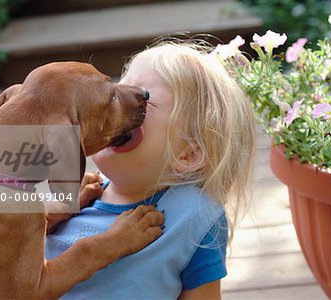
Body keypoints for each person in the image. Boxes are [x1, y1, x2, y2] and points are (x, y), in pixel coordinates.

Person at [46, 40, 256, 299]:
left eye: (144, 98)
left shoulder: (192, 215)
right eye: (115, 91)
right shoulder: (80, 195)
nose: (110, 102)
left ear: (188, 153)